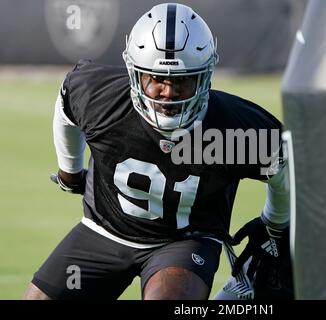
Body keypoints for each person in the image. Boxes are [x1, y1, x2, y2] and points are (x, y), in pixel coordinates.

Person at [24, 2, 290, 300]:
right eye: (156, 79)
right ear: (135, 75)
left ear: (204, 76)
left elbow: (284, 166)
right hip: (103, 231)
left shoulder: (233, 127)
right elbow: (66, 104)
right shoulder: (102, 98)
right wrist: (69, 170)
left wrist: (274, 223)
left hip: (183, 241)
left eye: (182, 80)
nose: (168, 92)